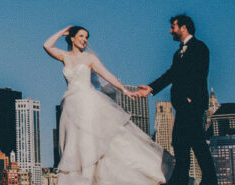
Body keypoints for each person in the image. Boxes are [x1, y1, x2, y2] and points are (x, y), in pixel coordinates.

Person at [44, 25, 171, 185]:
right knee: (74, 145)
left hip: (88, 103)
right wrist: (63, 31)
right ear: (72, 38)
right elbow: (47, 45)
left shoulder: (90, 58)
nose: (84, 40)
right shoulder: (65, 56)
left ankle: (89, 179)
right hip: (70, 106)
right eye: (81, 36)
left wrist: (125, 90)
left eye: (86, 37)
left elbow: (107, 75)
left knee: (89, 142)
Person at [136, 14, 218, 185]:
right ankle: (180, 179)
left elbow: (200, 73)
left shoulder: (199, 47)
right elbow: (171, 74)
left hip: (192, 104)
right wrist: (151, 88)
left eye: (173, 27)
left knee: (196, 141)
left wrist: (190, 98)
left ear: (183, 28)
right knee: (180, 143)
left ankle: (210, 180)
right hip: (182, 106)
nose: (170, 31)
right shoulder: (177, 53)